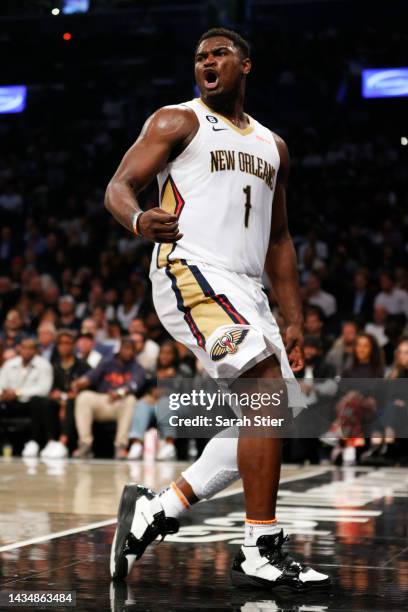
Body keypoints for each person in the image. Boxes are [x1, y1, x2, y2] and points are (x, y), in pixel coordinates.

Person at [105, 28, 329, 588]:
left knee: (272, 414)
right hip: (190, 268)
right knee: (264, 393)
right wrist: (137, 219)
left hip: (247, 288)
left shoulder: (273, 145)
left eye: (219, 54)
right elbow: (119, 186)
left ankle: (160, 509)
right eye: (200, 56)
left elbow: (279, 240)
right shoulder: (175, 121)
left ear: (245, 65)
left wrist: (294, 317)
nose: (207, 62)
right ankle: (260, 546)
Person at [72, 338, 145, 459]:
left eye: (132, 350)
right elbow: (91, 376)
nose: (129, 352)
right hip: (103, 400)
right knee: (83, 397)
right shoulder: (107, 362)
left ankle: (120, 447)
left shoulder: (137, 367)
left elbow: (134, 384)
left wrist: (120, 392)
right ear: (120, 349)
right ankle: (85, 444)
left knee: (131, 399)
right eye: (126, 349)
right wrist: (79, 383)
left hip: (121, 402)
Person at [128, 340, 191, 461]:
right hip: (155, 406)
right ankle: (137, 444)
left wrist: (165, 392)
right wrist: (152, 392)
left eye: (169, 353)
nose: (164, 356)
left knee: (164, 402)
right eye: (162, 353)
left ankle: (169, 444)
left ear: (175, 356)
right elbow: (145, 389)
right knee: (142, 404)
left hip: (179, 406)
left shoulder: (183, 370)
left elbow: (187, 394)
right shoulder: (153, 369)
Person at [41, 329, 90, 458]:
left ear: (73, 345)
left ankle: (63, 442)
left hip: (76, 402)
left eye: (67, 343)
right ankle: (51, 442)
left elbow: (87, 390)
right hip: (59, 402)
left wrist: (65, 398)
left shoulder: (83, 366)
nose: (64, 346)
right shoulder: (55, 367)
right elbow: (52, 390)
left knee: (73, 402)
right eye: (61, 343)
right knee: (46, 403)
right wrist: (61, 398)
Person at [0, 338, 53, 457]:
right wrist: (3, 394)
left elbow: (44, 389)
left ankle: (33, 442)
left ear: (36, 350)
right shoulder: (10, 364)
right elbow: (1, 383)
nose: (27, 351)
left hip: (31, 404)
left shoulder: (44, 365)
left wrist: (18, 392)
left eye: (30, 348)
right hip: (10, 403)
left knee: (38, 401)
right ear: (19, 349)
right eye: (24, 347)